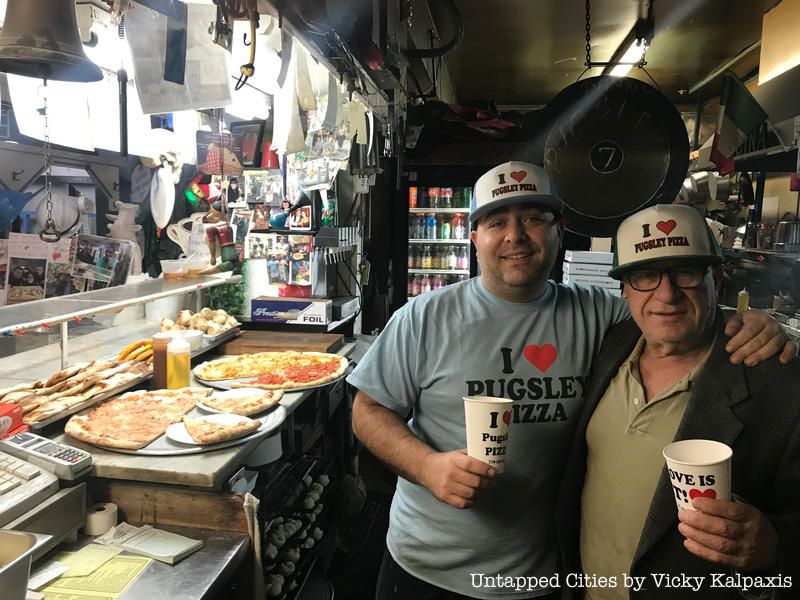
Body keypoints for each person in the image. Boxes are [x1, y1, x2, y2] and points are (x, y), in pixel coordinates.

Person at [347, 161, 794, 600]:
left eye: (533, 218)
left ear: (559, 230)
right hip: (427, 571)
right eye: (496, 221)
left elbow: (672, 311)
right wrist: (427, 467)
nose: (516, 236)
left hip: (542, 575)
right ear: (474, 237)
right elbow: (367, 411)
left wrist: (749, 321)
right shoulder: (424, 318)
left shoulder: (602, 316)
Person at [557, 204, 800, 599]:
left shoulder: (779, 383)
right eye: (645, 276)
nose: (665, 294)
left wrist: (773, 548)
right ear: (624, 289)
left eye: (685, 272)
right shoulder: (609, 347)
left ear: (716, 278)